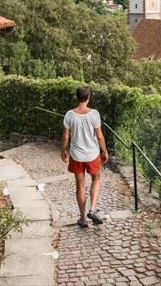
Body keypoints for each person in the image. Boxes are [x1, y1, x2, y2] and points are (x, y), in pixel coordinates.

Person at [61, 85, 109, 228]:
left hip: (76, 155)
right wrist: (104, 151)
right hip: (92, 154)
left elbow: (65, 136)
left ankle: (82, 219)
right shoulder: (94, 114)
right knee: (97, 179)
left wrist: (63, 151)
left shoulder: (69, 114)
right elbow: (99, 136)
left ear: (77, 98)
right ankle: (92, 210)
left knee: (80, 186)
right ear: (88, 98)